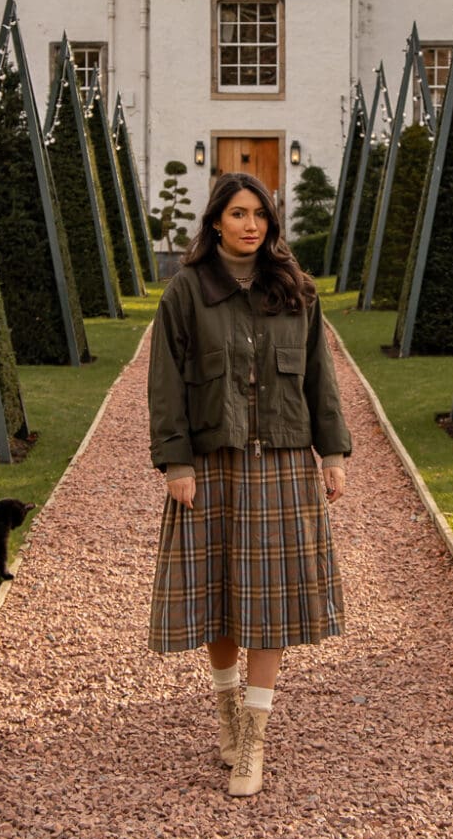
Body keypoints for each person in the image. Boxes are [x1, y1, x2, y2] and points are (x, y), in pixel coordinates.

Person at [146, 171, 351, 798]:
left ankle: (254, 741)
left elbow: (321, 377)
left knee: (268, 607)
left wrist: (334, 453)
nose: (250, 224)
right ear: (215, 222)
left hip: (284, 464)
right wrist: (176, 464)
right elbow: (164, 384)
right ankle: (227, 711)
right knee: (220, 601)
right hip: (211, 463)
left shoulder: (298, 291)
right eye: (237, 213)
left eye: (259, 214)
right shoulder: (184, 293)